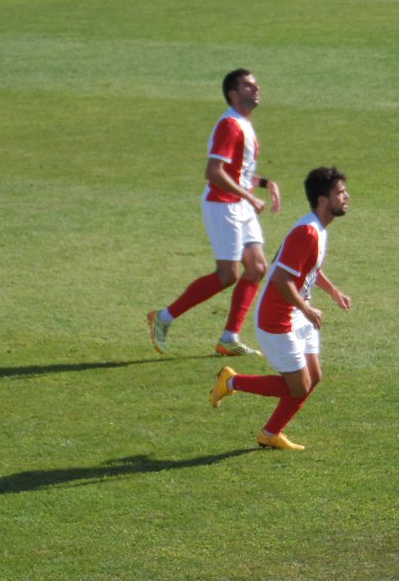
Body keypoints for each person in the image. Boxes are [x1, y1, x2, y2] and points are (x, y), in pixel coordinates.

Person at [210, 166, 351, 451]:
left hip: (297, 313)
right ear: (323, 200)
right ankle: (232, 381)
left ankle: (270, 433)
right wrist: (307, 309)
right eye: (340, 192)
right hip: (277, 319)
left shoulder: (318, 230)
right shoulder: (307, 232)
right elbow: (281, 279)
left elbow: (308, 268)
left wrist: (333, 291)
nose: (346, 196)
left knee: (313, 377)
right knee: (298, 386)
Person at [148, 69, 281, 357]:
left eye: (256, 84)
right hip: (223, 205)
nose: (256, 88)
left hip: (240, 204)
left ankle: (229, 338)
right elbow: (213, 172)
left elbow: (238, 172)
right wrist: (248, 195)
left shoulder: (244, 125)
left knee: (257, 267)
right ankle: (163, 317)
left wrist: (264, 183)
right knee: (227, 274)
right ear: (233, 93)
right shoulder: (229, 126)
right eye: (248, 86)